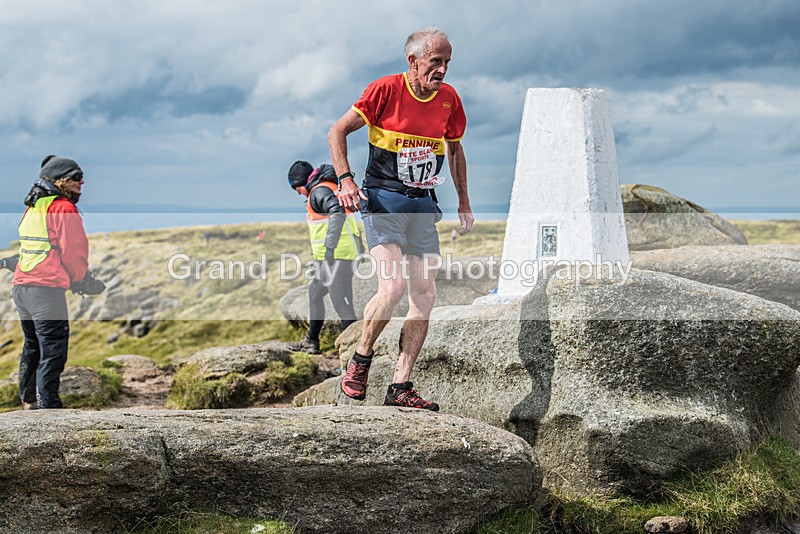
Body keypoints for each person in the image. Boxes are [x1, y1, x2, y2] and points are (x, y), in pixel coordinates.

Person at [328, 27, 474, 411]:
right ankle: (360, 360)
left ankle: (400, 385)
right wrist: (344, 180)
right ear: (413, 61)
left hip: (422, 206)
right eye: (435, 61)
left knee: (424, 296)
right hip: (383, 202)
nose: (442, 70)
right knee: (391, 288)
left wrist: (463, 200)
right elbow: (337, 130)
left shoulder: (449, 99)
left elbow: (455, 151)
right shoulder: (384, 90)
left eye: (447, 62)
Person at [12, 155, 104, 409]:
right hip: (45, 290)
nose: (82, 181)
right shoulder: (63, 207)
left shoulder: (34, 207)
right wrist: (82, 281)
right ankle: (48, 406)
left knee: (33, 346)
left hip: (22, 288)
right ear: (59, 180)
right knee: (53, 349)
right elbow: (73, 251)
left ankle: (29, 399)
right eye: (75, 177)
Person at [286, 160, 363, 355]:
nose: (297, 192)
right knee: (315, 294)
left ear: (302, 182)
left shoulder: (319, 192)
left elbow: (337, 213)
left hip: (337, 257)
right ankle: (311, 341)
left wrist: (329, 248)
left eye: (296, 187)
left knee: (342, 306)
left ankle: (356, 355)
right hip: (332, 258)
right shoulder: (328, 187)